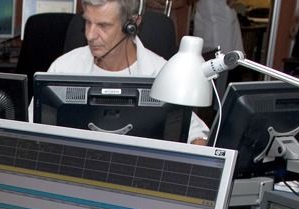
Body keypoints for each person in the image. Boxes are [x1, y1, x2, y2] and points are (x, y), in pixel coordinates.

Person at [47, 0, 210, 144]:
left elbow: (195, 133)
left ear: (132, 25)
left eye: (103, 26)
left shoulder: (162, 73)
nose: (90, 35)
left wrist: (199, 142)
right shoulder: (63, 68)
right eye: (88, 22)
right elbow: (36, 126)